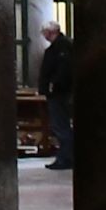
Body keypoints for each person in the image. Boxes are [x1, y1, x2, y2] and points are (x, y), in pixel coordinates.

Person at [33, 22, 76, 170]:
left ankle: (66, 158)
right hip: (59, 92)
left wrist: (53, 85)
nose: (44, 35)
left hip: (60, 93)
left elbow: (64, 69)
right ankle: (66, 156)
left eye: (45, 32)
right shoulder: (60, 46)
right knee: (61, 125)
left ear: (52, 32)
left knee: (61, 126)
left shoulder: (62, 47)